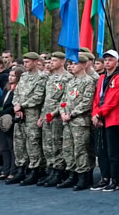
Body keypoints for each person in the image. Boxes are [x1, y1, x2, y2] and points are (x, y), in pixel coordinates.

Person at [91, 50, 119, 192]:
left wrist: (99, 114)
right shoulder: (101, 78)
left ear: (117, 61)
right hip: (100, 117)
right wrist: (95, 113)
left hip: (112, 118)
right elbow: (97, 98)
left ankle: (115, 178)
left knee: (113, 151)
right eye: (105, 60)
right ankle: (104, 177)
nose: (107, 62)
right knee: (101, 150)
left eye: (110, 60)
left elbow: (114, 99)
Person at [57, 55, 96, 190]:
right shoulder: (70, 81)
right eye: (71, 64)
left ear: (84, 65)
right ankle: (72, 175)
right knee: (68, 149)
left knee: (80, 149)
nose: (71, 66)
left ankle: (83, 177)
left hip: (80, 121)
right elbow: (63, 100)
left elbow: (87, 102)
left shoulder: (88, 81)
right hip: (67, 121)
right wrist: (62, 112)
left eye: (75, 64)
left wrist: (71, 114)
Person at [11, 52, 47, 185]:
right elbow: (17, 93)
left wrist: (22, 105)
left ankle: (35, 170)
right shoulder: (24, 76)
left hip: (32, 114)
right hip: (20, 114)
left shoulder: (41, 77)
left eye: (28, 62)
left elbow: (38, 97)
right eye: (24, 62)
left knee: (33, 142)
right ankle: (21, 169)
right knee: (19, 142)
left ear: (35, 61)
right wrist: (16, 106)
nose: (25, 64)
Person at [38, 52, 72, 187]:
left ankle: (59, 171)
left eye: (54, 61)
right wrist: (42, 115)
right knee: (48, 144)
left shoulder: (67, 78)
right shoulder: (50, 78)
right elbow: (46, 99)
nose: (51, 63)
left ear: (62, 62)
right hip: (47, 114)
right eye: (50, 60)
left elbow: (65, 100)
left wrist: (55, 112)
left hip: (57, 116)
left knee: (57, 143)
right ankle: (51, 169)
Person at [0, 66, 22, 181]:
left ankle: (13, 170)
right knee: (4, 147)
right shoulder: (6, 88)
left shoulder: (19, 89)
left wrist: (1, 112)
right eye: (10, 75)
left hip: (11, 120)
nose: (10, 77)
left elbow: (14, 106)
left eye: (13, 75)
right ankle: (5, 170)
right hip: (2, 120)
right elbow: (1, 103)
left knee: (12, 146)